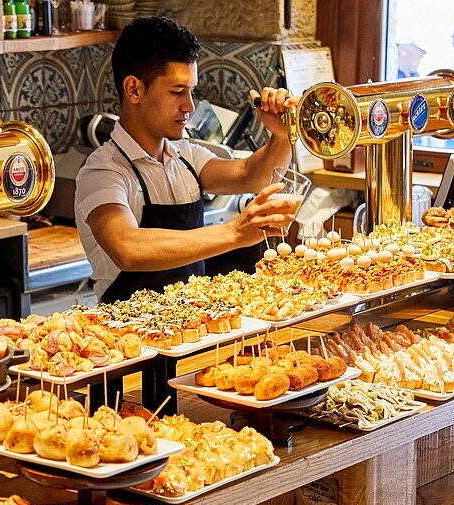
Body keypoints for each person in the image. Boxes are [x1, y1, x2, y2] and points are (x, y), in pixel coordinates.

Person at [74, 16, 300, 303]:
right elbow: (127, 247)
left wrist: (281, 137)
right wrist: (235, 231)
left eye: (191, 92)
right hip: (130, 340)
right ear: (134, 89)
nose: (189, 106)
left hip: (194, 327)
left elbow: (250, 175)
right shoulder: (102, 172)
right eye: (177, 92)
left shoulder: (186, 156)